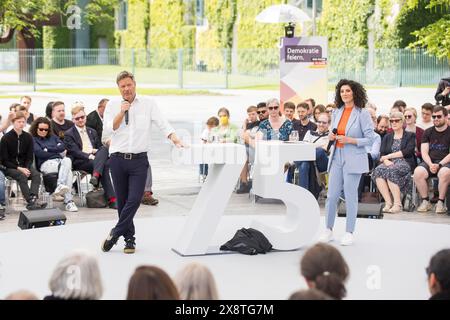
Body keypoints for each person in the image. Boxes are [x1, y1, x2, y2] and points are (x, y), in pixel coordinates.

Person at [101, 70, 183, 254]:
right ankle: (129, 240)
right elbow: (109, 129)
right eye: (123, 86)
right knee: (122, 202)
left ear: (134, 84)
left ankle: (115, 233)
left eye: (129, 84)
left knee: (135, 199)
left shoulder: (148, 103)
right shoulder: (113, 105)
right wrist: (122, 113)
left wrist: (175, 138)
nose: (126, 89)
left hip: (139, 160)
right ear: (119, 88)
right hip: (118, 159)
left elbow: (163, 123)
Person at [319, 79, 375, 246]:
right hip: (336, 156)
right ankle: (328, 230)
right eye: (342, 91)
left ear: (354, 93)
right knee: (331, 196)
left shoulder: (362, 113)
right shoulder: (336, 112)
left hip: (354, 157)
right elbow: (335, 131)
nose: (344, 93)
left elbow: (370, 138)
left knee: (350, 196)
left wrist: (350, 140)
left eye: (348, 91)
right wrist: (331, 136)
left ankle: (349, 232)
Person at [64, 105, 116, 208]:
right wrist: (89, 156)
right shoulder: (69, 134)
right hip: (80, 161)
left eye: (82, 117)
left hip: (95, 159)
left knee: (104, 148)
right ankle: (112, 199)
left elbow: (100, 149)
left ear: (86, 117)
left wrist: (95, 152)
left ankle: (96, 175)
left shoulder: (92, 131)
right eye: (77, 118)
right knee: (104, 165)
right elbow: (75, 152)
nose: (80, 120)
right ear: (73, 119)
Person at [0, 112, 46, 210]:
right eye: (18, 122)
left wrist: (26, 167)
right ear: (13, 123)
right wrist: (19, 168)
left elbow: (29, 157)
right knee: (22, 176)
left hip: (25, 165)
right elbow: (4, 160)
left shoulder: (28, 137)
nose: (21, 124)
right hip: (10, 167)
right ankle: (30, 202)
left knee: (36, 174)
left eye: (23, 122)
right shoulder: (5, 138)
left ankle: (33, 198)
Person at [31, 117, 78, 212]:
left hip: (59, 161)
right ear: (36, 128)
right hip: (46, 164)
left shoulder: (53, 137)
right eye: (41, 129)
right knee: (67, 169)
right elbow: (40, 153)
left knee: (67, 160)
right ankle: (69, 201)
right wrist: (55, 150)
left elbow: (63, 146)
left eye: (46, 129)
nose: (43, 131)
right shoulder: (33, 139)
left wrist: (47, 149)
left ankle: (61, 186)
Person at [372, 112, 416, 213]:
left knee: (391, 171)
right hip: (389, 162)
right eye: (392, 121)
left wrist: (388, 157)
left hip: (405, 161)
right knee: (378, 170)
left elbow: (407, 151)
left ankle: (397, 204)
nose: (394, 123)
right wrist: (386, 160)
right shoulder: (388, 136)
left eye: (397, 120)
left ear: (402, 121)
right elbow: (382, 153)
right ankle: (388, 202)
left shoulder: (410, 135)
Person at [414, 106, 450, 214]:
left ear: (446, 117)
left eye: (439, 116)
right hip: (430, 161)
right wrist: (430, 164)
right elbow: (424, 152)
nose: (436, 119)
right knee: (418, 172)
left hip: (445, 162)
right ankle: (426, 201)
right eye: (434, 116)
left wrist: (439, 164)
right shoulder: (428, 132)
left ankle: (440, 202)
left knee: (444, 172)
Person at [295, 112, 330, 190]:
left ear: (329, 124)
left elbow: (325, 149)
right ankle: (304, 195)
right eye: (319, 122)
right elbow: (304, 148)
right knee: (304, 164)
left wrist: (312, 146)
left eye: (324, 123)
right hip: (310, 159)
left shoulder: (330, 136)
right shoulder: (310, 133)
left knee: (320, 151)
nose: (321, 124)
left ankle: (296, 161)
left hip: (323, 163)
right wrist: (316, 146)